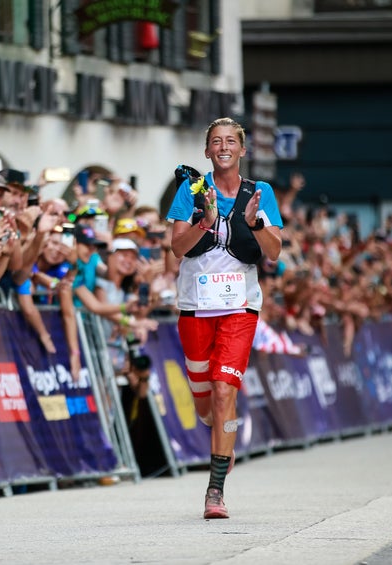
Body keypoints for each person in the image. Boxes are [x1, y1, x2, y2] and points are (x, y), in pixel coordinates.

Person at [166, 117, 282, 519]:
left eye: (231, 141)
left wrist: (254, 223)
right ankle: (220, 437)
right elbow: (177, 249)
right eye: (216, 141)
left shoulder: (260, 192)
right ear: (207, 151)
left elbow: (274, 251)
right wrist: (204, 221)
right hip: (195, 306)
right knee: (204, 402)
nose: (224, 147)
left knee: (223, 390)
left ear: (242, 150)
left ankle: (215, 491)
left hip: (239, 307)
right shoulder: (191, 190)